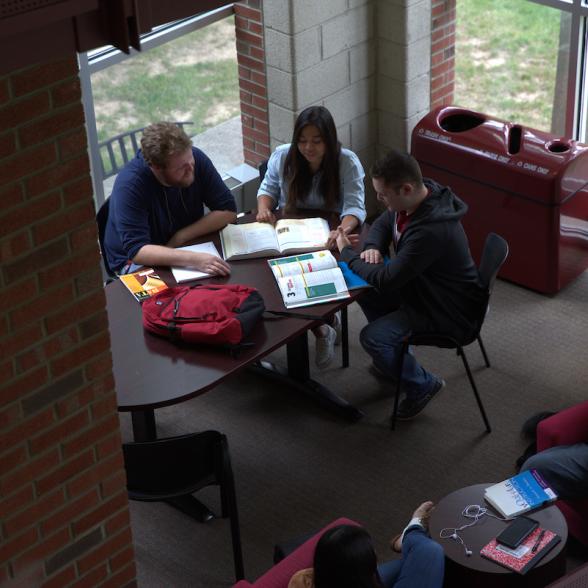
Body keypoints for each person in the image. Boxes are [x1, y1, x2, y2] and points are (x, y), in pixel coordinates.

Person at [335, 149, 487, 420]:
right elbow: (384, 221)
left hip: (443, 309)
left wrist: (347, 254)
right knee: (365, 290)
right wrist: (373, 247)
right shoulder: (422, 193)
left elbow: (387, 278)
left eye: (383, 195)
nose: (379, 200)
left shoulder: (430, 231)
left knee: (372, 337)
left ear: (405, 188)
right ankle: (395, 353)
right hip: (424, 290)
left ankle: (423, 384)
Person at [256, 105, 367, 368]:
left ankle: (324, 324)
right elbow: (267, 188)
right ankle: (323, 328)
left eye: (317, 141)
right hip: (289, 232)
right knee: (281, 282)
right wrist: (263, 208)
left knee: (312, 279)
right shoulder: (283, 156)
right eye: (302, 141)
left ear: (329, 139)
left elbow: (355, 206)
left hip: (327, 234)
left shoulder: (347, 162)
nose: (308, 148)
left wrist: (342, 228)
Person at [104, 121, 236, 276]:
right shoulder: (130, 185)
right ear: (156, 167)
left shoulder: (194, 158)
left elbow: (228, 211)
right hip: (136, 263)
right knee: (174, 299)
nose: (190, 169)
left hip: (182, 245)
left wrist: (181, 237)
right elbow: (138, 251)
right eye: (181, 167)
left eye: (190, 159)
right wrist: (194, 260)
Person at [288, 501, 444, 588]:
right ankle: (410, 534)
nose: (376, 553)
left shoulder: (303, 580)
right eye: (372, 554)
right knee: (430, 552)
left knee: (420, 556)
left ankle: (409, 537)